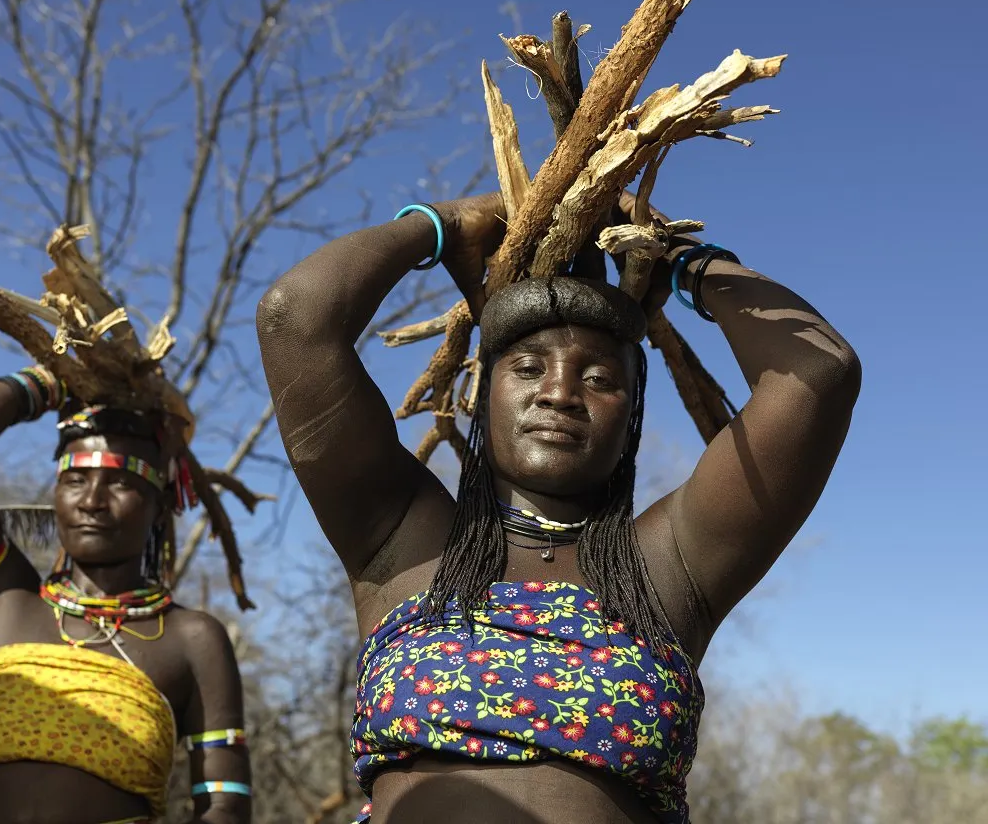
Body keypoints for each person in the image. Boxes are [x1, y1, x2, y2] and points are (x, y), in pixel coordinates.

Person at [255, 192, 861, 823]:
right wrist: (447, 224)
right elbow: (293, 318)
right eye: (527, 368)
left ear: (631, 418)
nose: (560, 393)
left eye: (600, 379)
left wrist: (676, 257)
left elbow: (818, 371)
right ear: (484, 393)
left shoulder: (669, 566)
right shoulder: (404, 539)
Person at [0, 369, 252, 824]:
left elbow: (224, 808)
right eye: (75, 480)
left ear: (159, 507)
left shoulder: (193, 640)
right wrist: (48, 383)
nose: (92, 500)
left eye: (121, 483)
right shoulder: (6, 598)